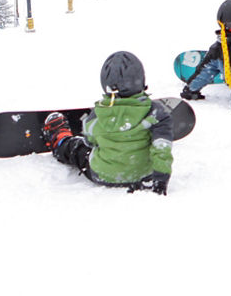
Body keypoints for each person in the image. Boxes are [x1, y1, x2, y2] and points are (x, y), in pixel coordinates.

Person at [41, 52, 173, 195]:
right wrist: (160, 181)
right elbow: (162, 149)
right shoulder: (156, 113)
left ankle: (60, 140)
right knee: (156, 142)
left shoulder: (97, 114)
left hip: (103, 174)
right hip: (144, 174)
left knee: (78, 149)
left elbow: (90, 141)